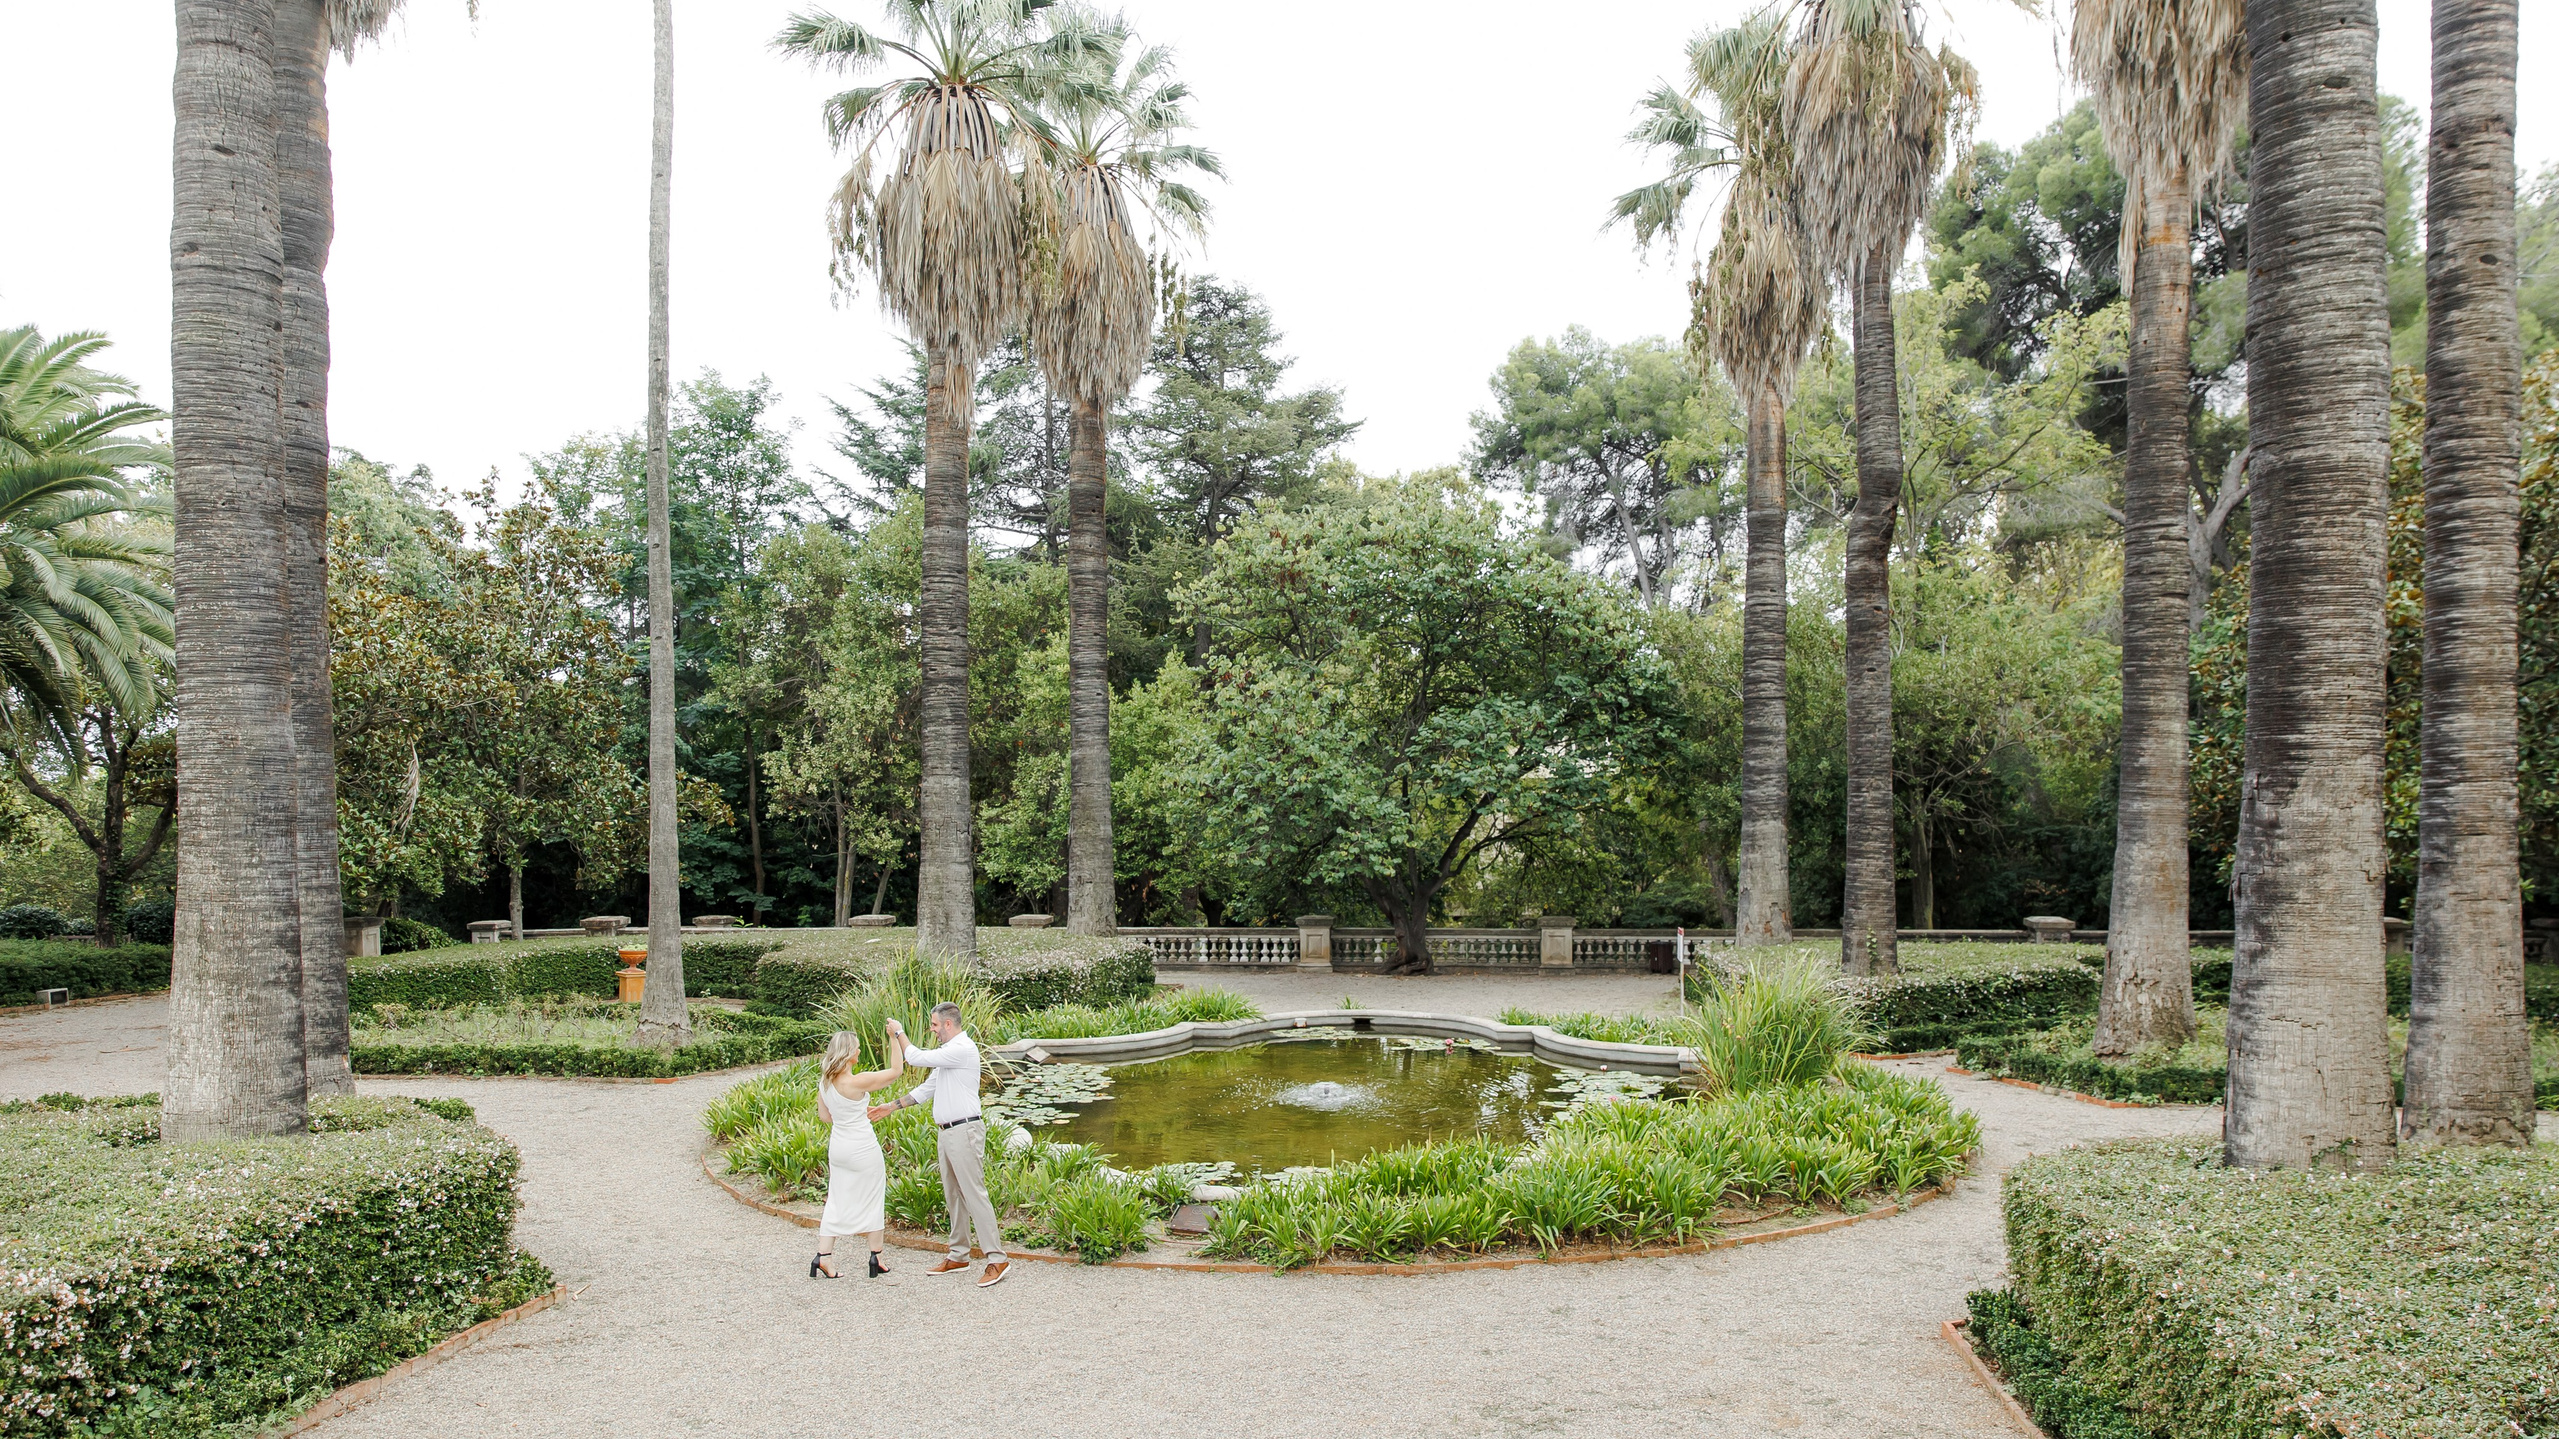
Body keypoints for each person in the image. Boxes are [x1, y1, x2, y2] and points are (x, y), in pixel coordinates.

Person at [873, 1001, 1007, 1288]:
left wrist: (899, 1033)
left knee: (974, 1193)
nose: (932, 1030)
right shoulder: (948, 1054)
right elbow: (928, 1088)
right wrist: (892, 1106)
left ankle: (997, 1259)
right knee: (953, 1194)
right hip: (947, 1133)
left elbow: (915, 1057)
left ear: (948, 1024)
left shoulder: (962, 1048)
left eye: (934, 1025)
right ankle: (958, 1255)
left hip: (965, 1130)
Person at [811, 1023, 904, 1279]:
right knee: (873, 1198)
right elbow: (897, 1070)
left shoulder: (825, 1083)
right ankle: (876, 1256)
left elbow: (825, 1117)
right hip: (862, 1146)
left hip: (838, 1147)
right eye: (858, 1048)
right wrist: (894, 1037)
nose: (860, 1051)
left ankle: (824, 1257)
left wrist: (846, 1114)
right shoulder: (857, 1081)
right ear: (849, 1052)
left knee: (836, 1199)